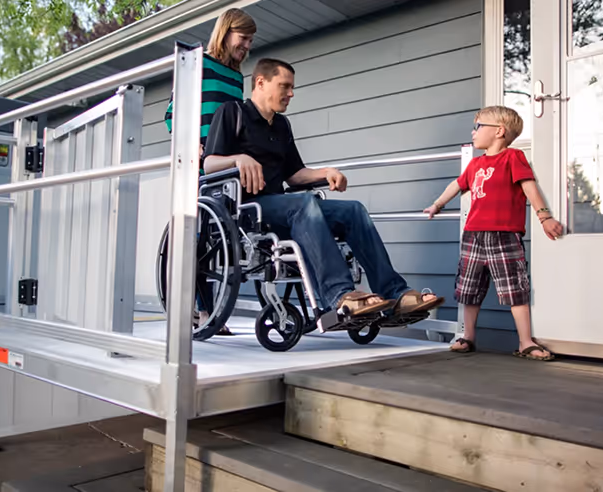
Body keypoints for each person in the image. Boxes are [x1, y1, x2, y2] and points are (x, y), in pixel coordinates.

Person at [203, 58, 443, 320]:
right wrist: (238, 158)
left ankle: (396, 293)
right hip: (248, 211)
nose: (291, 93)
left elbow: (294, 175)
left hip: (285, 208)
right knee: (304, 203)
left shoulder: (282, 125)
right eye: (284, 86)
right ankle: (339, 295)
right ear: (261, 82)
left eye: (292, 87)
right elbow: (210, 164)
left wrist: (326, 172)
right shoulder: (232, 112)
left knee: (353, 210)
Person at [423, 106, 563, 361]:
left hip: (504, 235)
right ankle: (468, 336)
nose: (473, 132)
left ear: (499, 131)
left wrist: (545, 217)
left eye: (478, 126)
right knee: (469, 288)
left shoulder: (513, 157)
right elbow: (457, 184)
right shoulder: (475, 164)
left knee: (515, 289)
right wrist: (437, 204)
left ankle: (525, 341)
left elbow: (529, 186)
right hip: (473, 235)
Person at [164, 8, 256, 335]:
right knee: (199, 237)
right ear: (226, 31)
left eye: (250, 40)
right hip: (197, 163)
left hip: (223, 166)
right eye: (243, 38)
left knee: (219, 240)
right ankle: (200, 312)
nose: (246, 45)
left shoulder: (236, 77)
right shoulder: (198, 63)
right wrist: (191, 145)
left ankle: (209, 310)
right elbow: (172, 113)